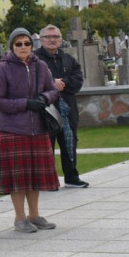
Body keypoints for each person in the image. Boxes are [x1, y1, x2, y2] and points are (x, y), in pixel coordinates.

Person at [0, 28, 60, 232]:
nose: (23, 47)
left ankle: (35, 215)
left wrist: (43, 99)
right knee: (18, 178)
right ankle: (20, 218)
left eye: (27, 43)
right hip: (13, 130)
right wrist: (25, 104)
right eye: (18, 44)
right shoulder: (3, 68)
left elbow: (53, 90)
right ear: (12, 46)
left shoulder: (41, 66)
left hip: (38, 128)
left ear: (32, 45)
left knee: (35, 176)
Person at [34, 24, 89, 188]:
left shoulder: (68, 59)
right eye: (48, 37)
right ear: (42, 40)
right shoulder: (35, 60)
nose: (52, 40)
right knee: (46, 146)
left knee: (69, 144)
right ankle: (47, 181)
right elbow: (33, 82)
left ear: (60, 40)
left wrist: (63, 83)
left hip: (67, 110)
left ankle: (72, 178)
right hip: (46, 111)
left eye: (56, 37)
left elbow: (78, 80)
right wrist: (52, 83)